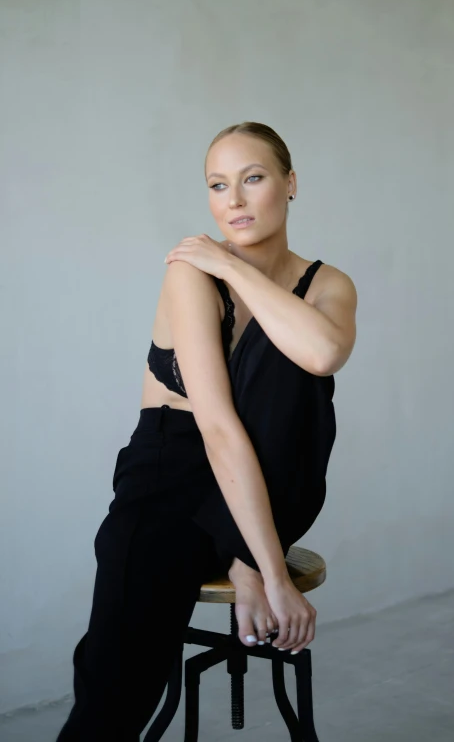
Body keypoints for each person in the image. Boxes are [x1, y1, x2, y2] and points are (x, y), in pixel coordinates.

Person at [57, 121, 357, 740]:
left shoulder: (326, 283)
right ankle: (240, 550)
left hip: (272, 474)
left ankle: (242, 547)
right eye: (218, 186)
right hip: (173, 473)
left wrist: (238, 266)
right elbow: (218, 429)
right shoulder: (191, 272)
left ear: (290, 183)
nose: (235, 201)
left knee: (296, 353)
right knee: (114, 690)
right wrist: (269, 570)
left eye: (253, 179)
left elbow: (324, 356)